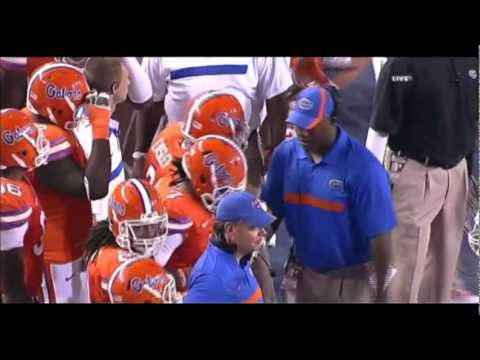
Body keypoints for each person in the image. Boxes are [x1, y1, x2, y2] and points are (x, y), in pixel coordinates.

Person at [261, 86, 397, 303]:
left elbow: (380, 237)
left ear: (331, 121)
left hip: (348, 284)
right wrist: (253, 249)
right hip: (301, 274)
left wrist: (381, 294)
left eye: (311, 126)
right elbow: (273, 211)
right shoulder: (285, 156)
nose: (303, 132)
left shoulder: (364, 169)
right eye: (298, 125)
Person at [367, 57, 478, 303]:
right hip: (414, 173)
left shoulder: (470, 60)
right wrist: (370, 191)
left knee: (441, 278)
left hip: (457, 172)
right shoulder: (401, 64)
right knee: (403, 283)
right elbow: (379, 130)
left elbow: (471, 119)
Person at [25, 63, 112, 303]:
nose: (85, 106)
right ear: (59, 105)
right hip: (56, 253)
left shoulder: (31, 121)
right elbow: (94, 187)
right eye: (82, 100)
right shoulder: (49, 140)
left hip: (61, 243)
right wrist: (101, 128)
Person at [153, 135, 247, 293]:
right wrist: (181, 277)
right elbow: (150, 268)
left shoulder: (176, 183)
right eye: (225, 192)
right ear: (202, 181)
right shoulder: (178, 213)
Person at [86, 179, 180, 303]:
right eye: (141, 229)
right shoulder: (125, 269)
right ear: (118, 227)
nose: (151, 236)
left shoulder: (113, 250)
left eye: (154, 227)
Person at [184, 191, 275, 303]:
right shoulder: (212, 281)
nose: (263, 232)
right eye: (253, 227)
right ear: (230, 230)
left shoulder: (240, 256)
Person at [0, 109, 50, 303]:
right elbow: (11, 283)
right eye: (33, 138)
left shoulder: (17, 182)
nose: (39, 143)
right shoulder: (11, 199)